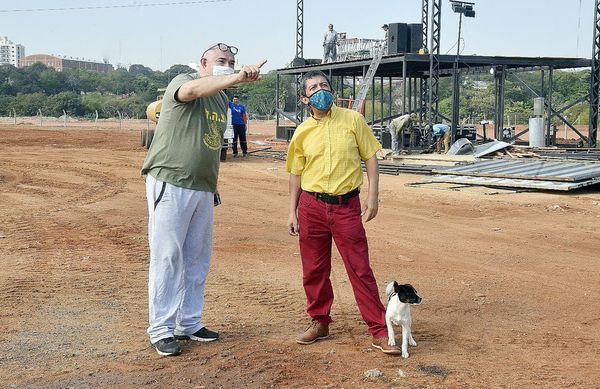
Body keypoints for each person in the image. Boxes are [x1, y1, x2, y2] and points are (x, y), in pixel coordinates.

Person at [141, 42, 266, 356]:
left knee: (197, 258)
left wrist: (211, 184)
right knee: (168, 256)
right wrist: (236, 76)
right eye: (221, 61)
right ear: (203, 62)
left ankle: (189, 321)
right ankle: (161, 328)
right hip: (170, 181)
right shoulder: (183, 81)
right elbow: (193, 91)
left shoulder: (222, 100)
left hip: (202, 187)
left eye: (232, 61)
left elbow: (209, 144)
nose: (227, 64)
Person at [286, 70, 401, 355]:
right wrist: (292, 211)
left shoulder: (352, 120)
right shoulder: (302, 132)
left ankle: (379, 329)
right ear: (304, 98)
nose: (320, 90)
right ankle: (319, 321)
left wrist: (373, 196)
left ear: (332, 91)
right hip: (311, 206)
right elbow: (296, 174)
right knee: (314, 270)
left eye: (324, 85)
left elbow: (370, 157)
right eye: (313, 87)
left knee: (359, 269)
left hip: (346, 206)